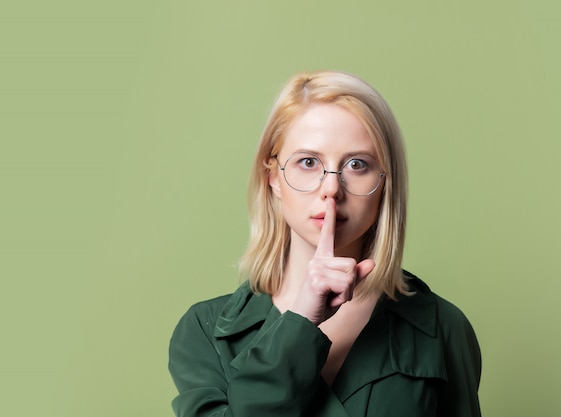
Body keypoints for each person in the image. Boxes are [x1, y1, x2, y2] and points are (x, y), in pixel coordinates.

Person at [168, 71, 482, 416]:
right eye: (308, 162)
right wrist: (301, 319)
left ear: (385, 184)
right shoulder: (206, 330)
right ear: (273, 177)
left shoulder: (442, 327)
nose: (331, 188)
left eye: (357, 164)